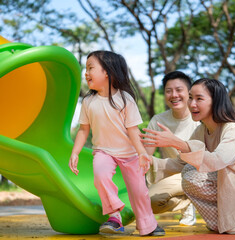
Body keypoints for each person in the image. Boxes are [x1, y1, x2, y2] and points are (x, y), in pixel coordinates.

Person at [141, 78, 235, 234]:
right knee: (187, 172)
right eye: (191, 97)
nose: (192, 104)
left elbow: (218, 160)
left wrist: (178, 143)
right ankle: (223, 223)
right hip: (229, 185)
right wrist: (146, 160)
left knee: (191, 175)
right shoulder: (201, 130)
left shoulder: (232, 128)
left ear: (216, 101)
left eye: (199, 99)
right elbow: (179, 163)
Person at [69, 50, 165, 236]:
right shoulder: (89, 101)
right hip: (103, 152)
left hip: (129, 153)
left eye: (90, 68)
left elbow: (133, 130)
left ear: (107, 72)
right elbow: (83, 129)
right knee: (100, 176)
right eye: (86, 69)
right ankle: (114, 217)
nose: (86, 73)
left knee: (139, 191)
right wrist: (75, 152)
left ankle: (148, 225)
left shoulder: (125, 99)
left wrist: (142, 153)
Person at [144, 71, 199, 226]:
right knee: (149, 202)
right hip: (174, 173)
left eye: (179, 90)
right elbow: (145, 156)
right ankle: (188, 201)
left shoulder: (200, 118)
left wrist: (175, 141)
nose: (174, 95)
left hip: (202, 174)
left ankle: (200, 200)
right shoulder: (158, 121)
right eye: (169, 91)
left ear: (189, 93)